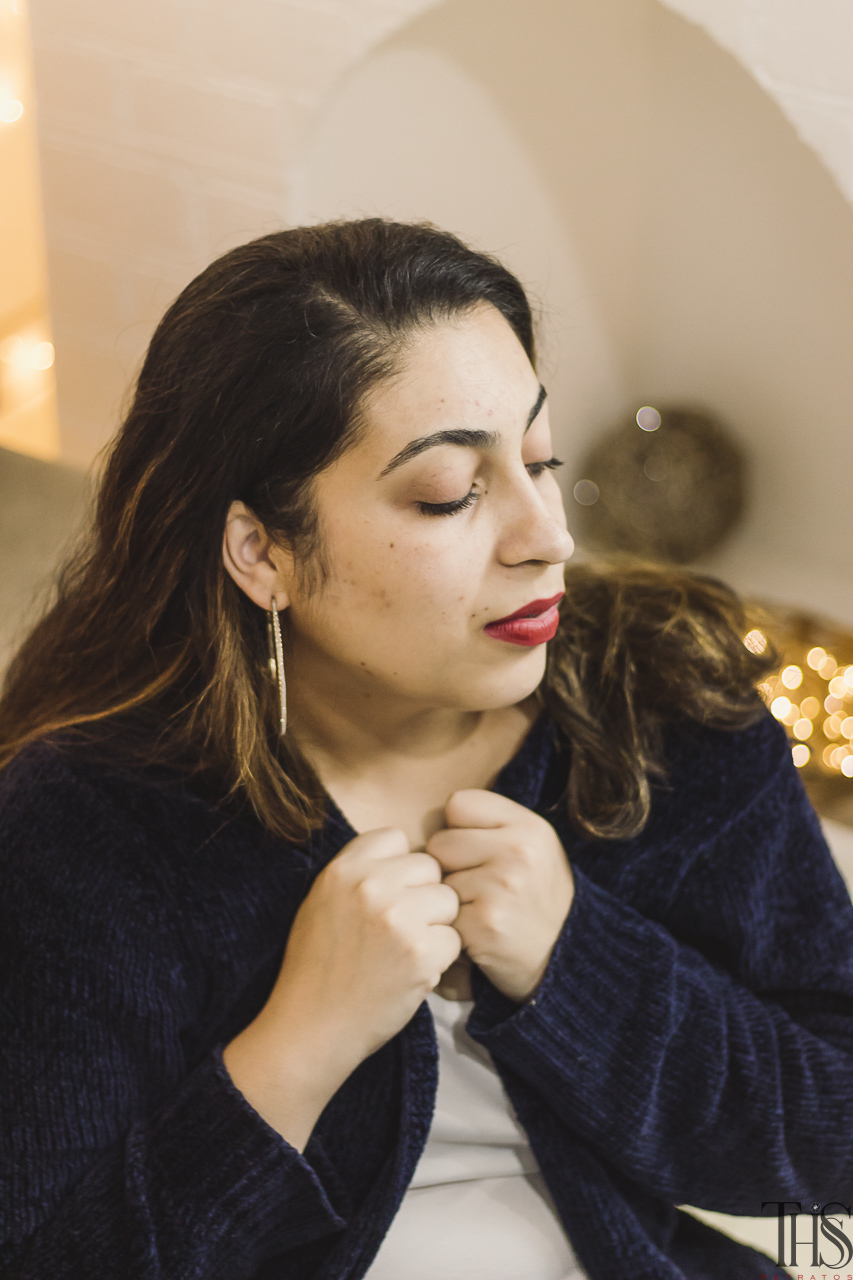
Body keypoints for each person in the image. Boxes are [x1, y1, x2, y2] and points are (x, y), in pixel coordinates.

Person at [0, 218, 851, 1280]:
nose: (547, 536)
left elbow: (830, 1152)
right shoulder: (89, 820)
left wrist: (577, 965)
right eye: (451, 493)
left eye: (540, 458)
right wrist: (291, 1052)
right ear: (261, 549)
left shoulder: (664, 703)